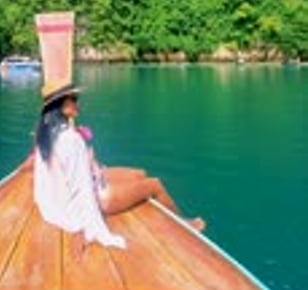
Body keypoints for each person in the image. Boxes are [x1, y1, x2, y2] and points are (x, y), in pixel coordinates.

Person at [32, 83, 205, 256]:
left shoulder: (45, 135)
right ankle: (185, 226)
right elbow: (82, 188)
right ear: (61, 104)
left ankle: (176, 218)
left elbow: (54, 178)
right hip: (99, 197)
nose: (78, 104)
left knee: (140, 174)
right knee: (154, 184)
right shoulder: (70, 139)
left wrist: (91, 164)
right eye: (74, 100)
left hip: (88, 183)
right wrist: (88, 228)